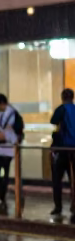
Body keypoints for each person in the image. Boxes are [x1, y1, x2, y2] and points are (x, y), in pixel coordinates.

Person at [50, 87, 75, 220]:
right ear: (72, 97)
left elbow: (53, 121)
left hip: (63, 149)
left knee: (57, 179)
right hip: (74, 150)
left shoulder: (62, 109)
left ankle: (58, 207)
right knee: (74, 180)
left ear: (62, 98)